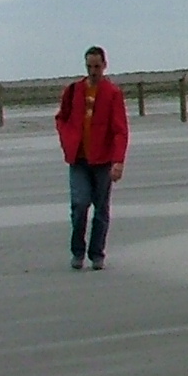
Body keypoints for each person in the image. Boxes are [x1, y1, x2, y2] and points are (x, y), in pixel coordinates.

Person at [55, 45, 129, 269]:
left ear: (104, 65)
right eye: (89, 67)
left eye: (97, 66)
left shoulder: (112, 93)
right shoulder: (74, 90)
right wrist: (67, 140)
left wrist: (118, 161)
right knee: (79, 205)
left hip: (103, 160)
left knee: (101, 209)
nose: (93, 71)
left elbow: (120, 130)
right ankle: (77, 251)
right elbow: (61, 118)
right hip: (78, 159)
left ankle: (97, 253)